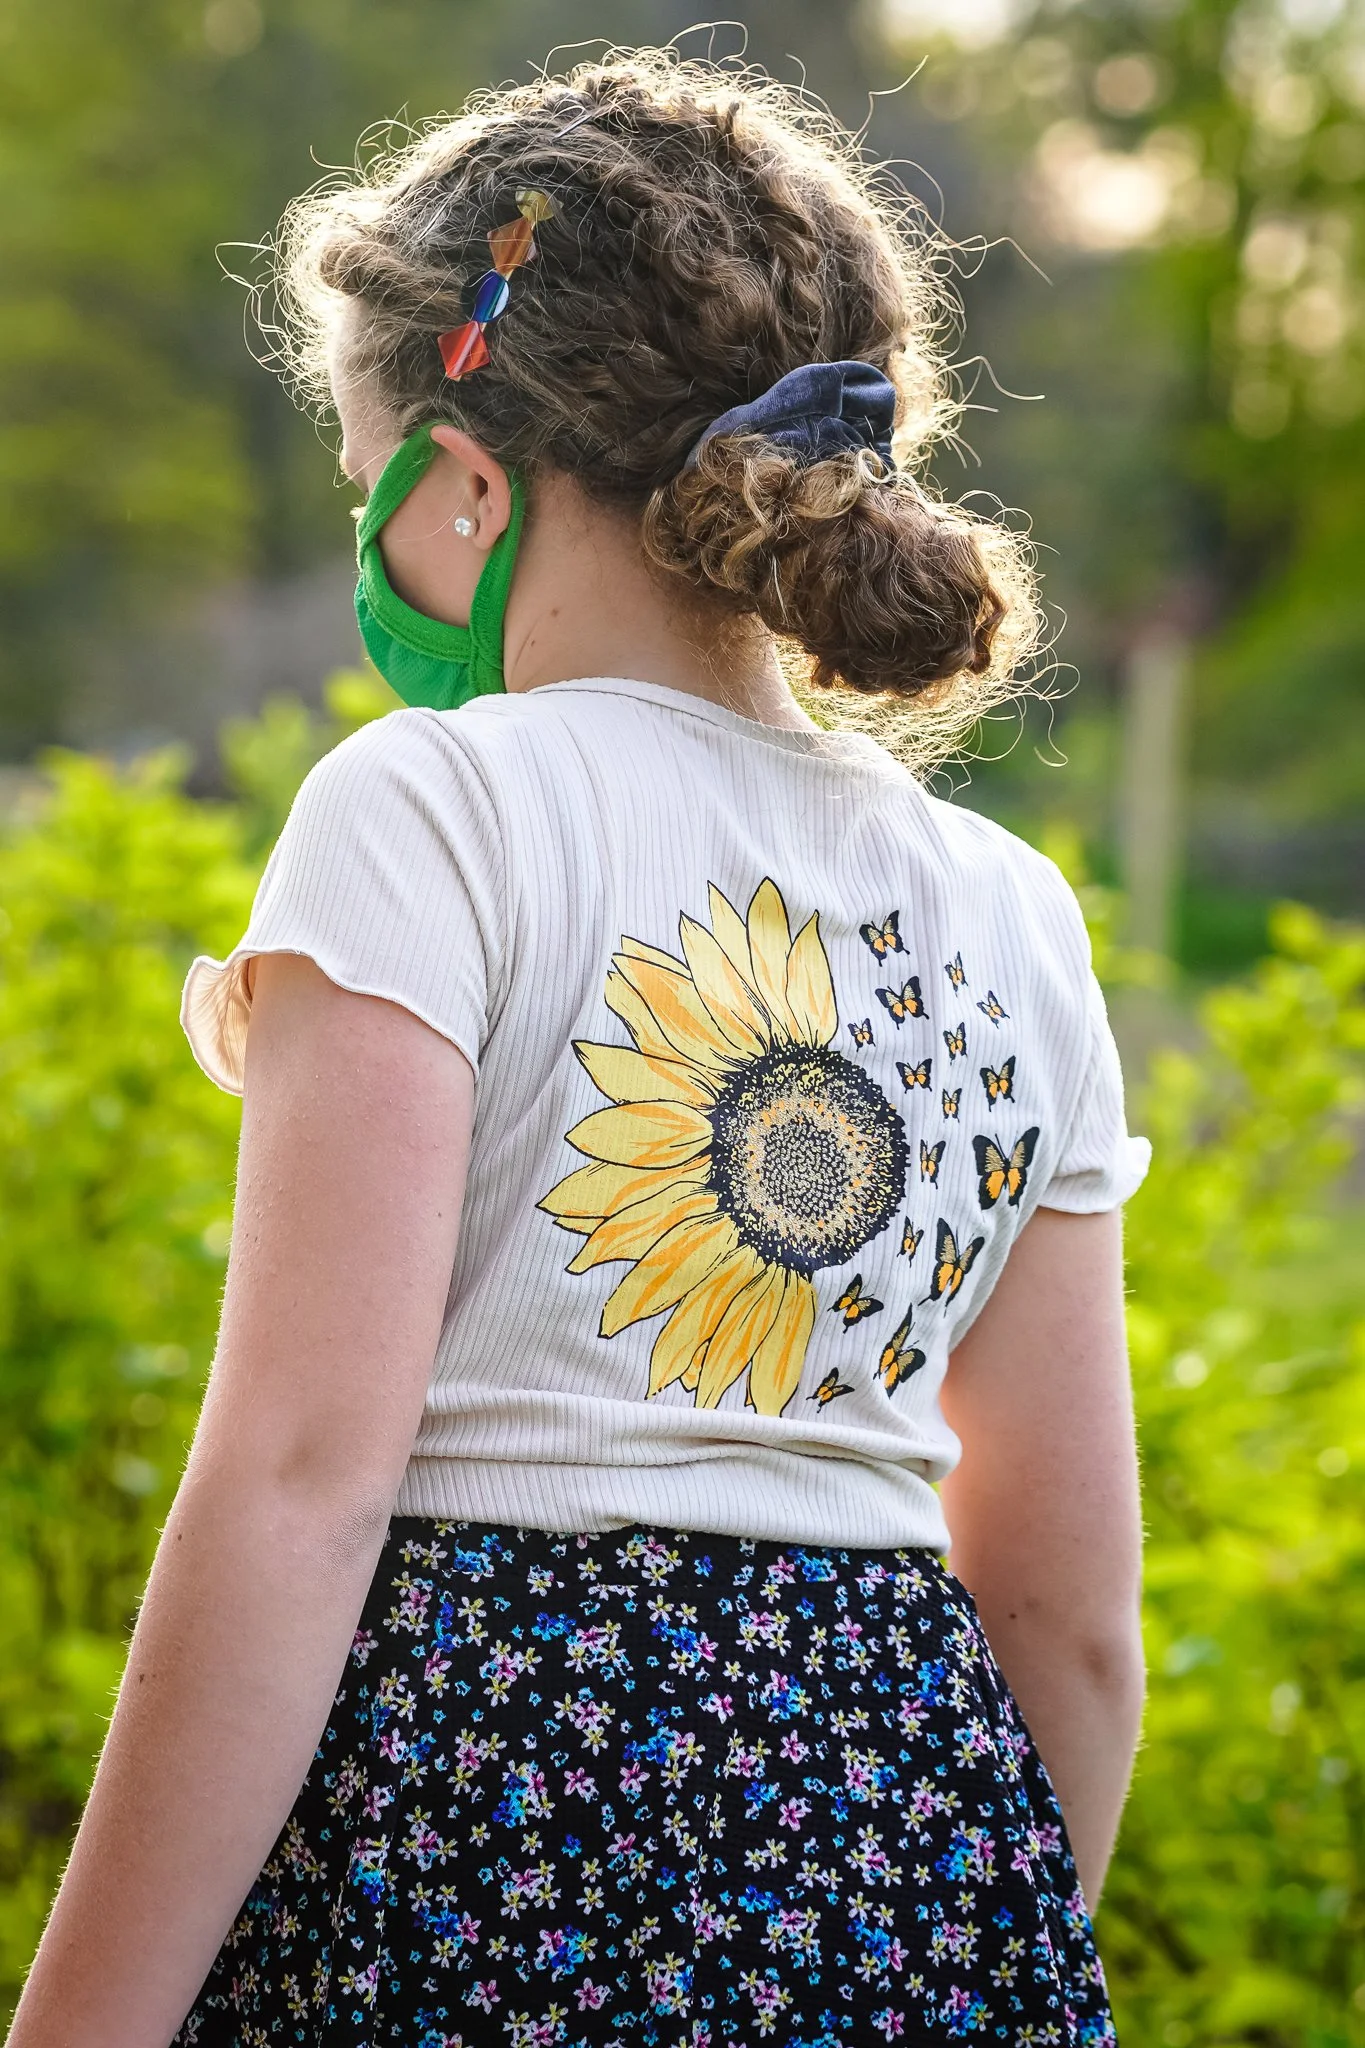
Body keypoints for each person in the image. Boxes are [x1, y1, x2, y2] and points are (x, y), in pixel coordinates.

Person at [10, 50, 1148, 2048]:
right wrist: (970, 1946)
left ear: (463, 480)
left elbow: (297, 1485)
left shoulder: (431, 810)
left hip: (486, 1811)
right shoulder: (1014, 911)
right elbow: (1069, 1614)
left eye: (369, 481)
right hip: (907, 1836)